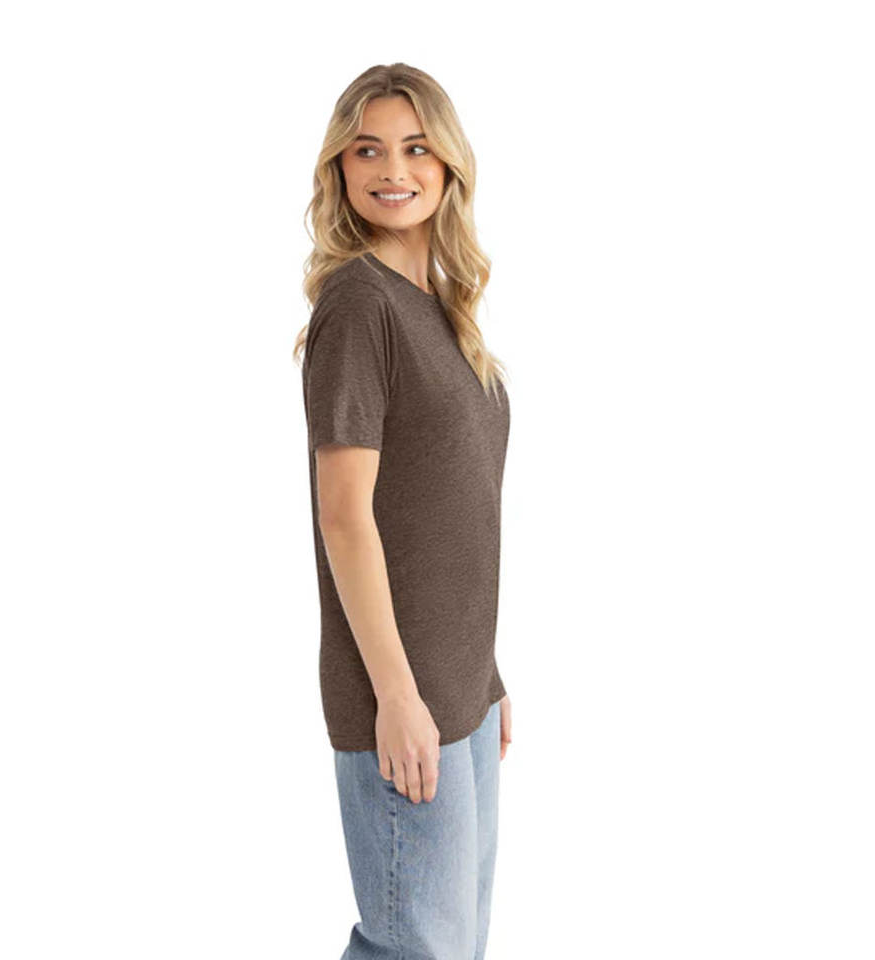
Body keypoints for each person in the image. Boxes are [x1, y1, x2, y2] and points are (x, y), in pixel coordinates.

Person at [293, 63, 513, 960]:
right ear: (340, 169)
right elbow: (345, 517)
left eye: (417, 147)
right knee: (415, 946)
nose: (394, 169)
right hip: (400, 692)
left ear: (448, 163)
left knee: (448, 946)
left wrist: (485, 674)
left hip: (456, 688)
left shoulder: (441, 310)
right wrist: (395, 696)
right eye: (368, 150)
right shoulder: (359, 304)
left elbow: (448, 510)